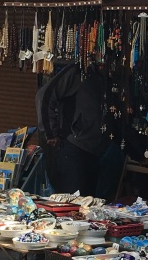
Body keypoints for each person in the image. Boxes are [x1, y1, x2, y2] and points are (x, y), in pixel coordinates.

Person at [37, 61, 106, 194]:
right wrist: (51, 132)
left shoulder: (105, 75)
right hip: (73, 147)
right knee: (72, 201)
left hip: (96, 151)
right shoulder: (77, 71)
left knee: (89, 203)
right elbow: (43, 96)